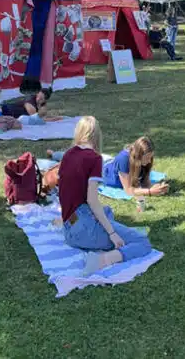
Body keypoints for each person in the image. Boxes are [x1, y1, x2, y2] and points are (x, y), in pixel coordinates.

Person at [58, 117, 153, 274]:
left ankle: (119, 233)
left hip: (69, 227)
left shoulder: (68, 154)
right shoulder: (94, 159)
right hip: (82, 230)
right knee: (142, 242)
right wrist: (112, 233)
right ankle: (102, 260)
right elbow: (92, 200)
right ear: (97, 135)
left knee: (107, 211)